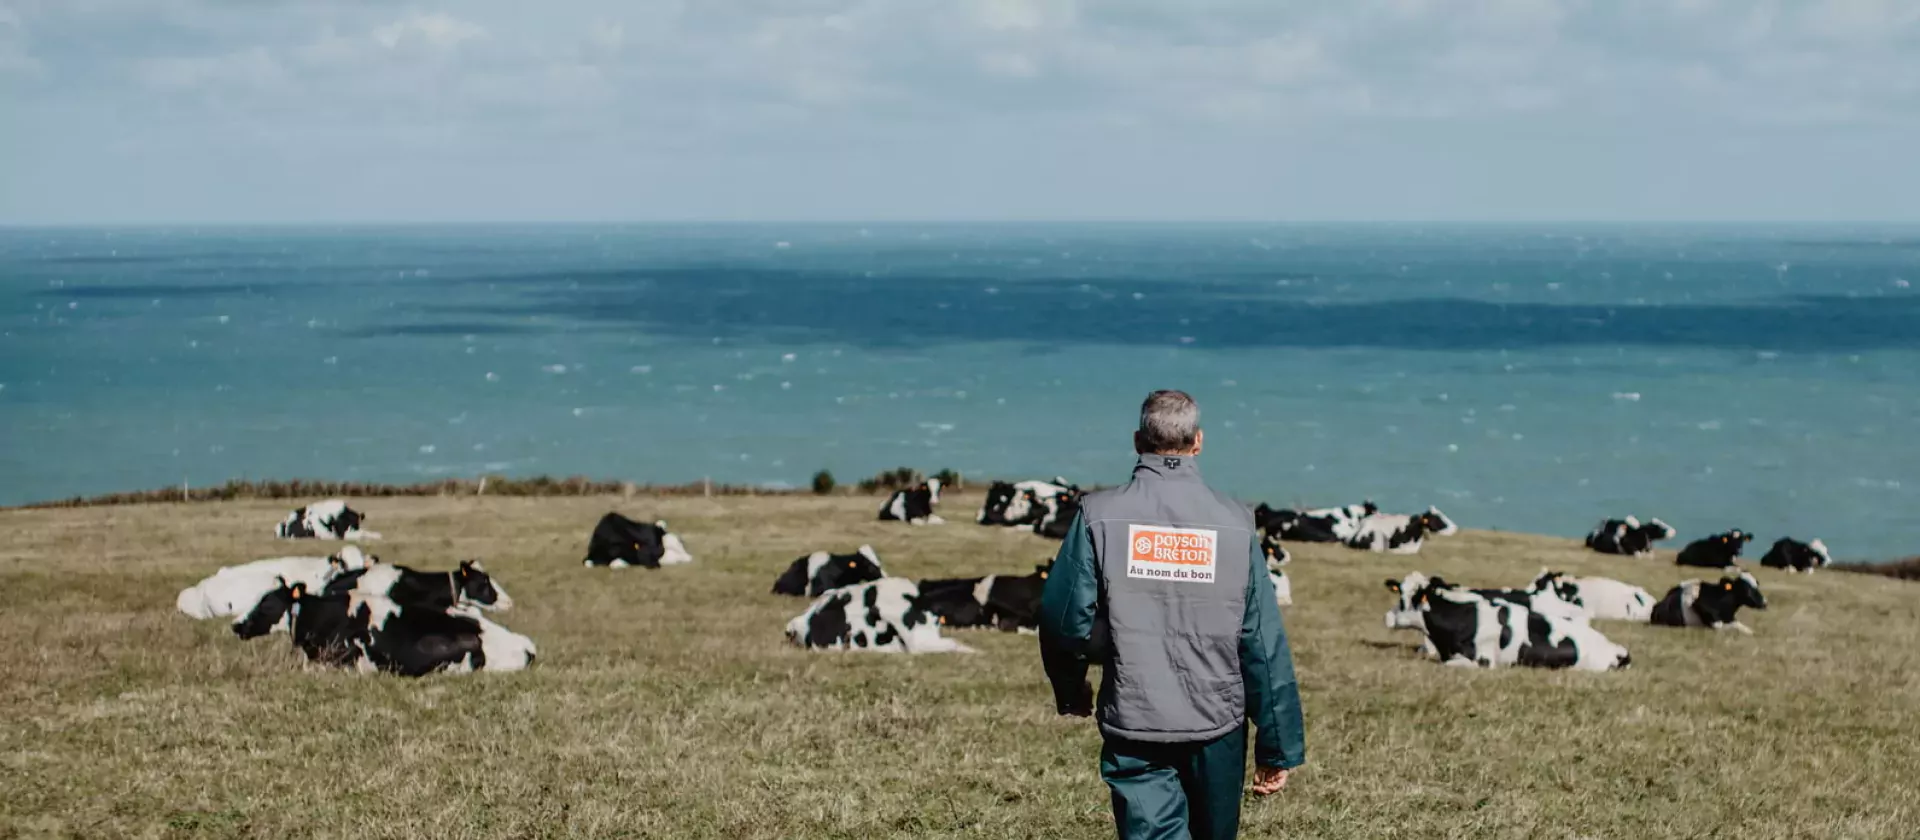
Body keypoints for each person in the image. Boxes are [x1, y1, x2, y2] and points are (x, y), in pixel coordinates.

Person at [1039, 389, 1306, 840]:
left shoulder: (1097, 515)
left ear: (1138, 441)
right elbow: (1261, 640)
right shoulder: (1236, 521)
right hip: (1217, 724)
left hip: (1135, 721)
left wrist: (1071, 690)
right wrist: (1276, 745)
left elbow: (1064, 620)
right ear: (1197, 443)